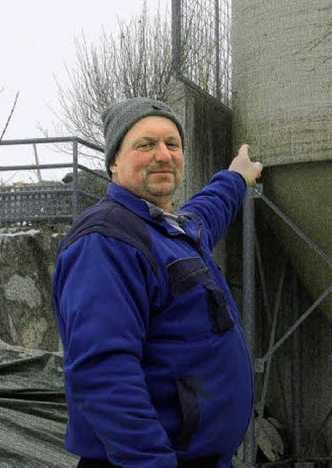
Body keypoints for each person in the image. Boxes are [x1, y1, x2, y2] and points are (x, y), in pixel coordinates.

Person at [52, 97, 263, 468]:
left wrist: (235, 178)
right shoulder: (106, 241)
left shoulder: (167, 230)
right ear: (114, 162)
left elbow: (205, 213)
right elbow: (105, 376)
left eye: (172, 144)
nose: (163, 155)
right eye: (145, 145)